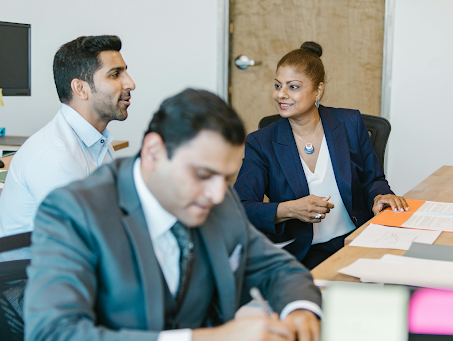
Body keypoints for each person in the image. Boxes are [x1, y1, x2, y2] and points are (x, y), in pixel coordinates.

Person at [24, 89, 322, 341]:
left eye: (226, 178)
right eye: (203, 174)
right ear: (154, 152)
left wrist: (299, 309)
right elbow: (53, 332)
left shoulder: (220, 200)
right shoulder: (73, 211)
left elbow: (278, 268)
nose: (217, 194)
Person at [234, 42, 408, 269]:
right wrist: (290, 209)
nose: (281, 95)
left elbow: (373, 180)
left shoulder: (349, 124)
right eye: (277, 86)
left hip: (354, 242)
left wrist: (381, 196)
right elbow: (241, 207)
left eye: (293, 87)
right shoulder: (261, 142)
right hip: (300, 255)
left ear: (318, 90)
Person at [0, 35, 135, 237]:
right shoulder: (54, 154)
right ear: (80, 89)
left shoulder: (100, 143)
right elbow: (86, 239)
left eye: (125, 72)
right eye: (115, 74)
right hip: (32, 267)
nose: (130, 84)